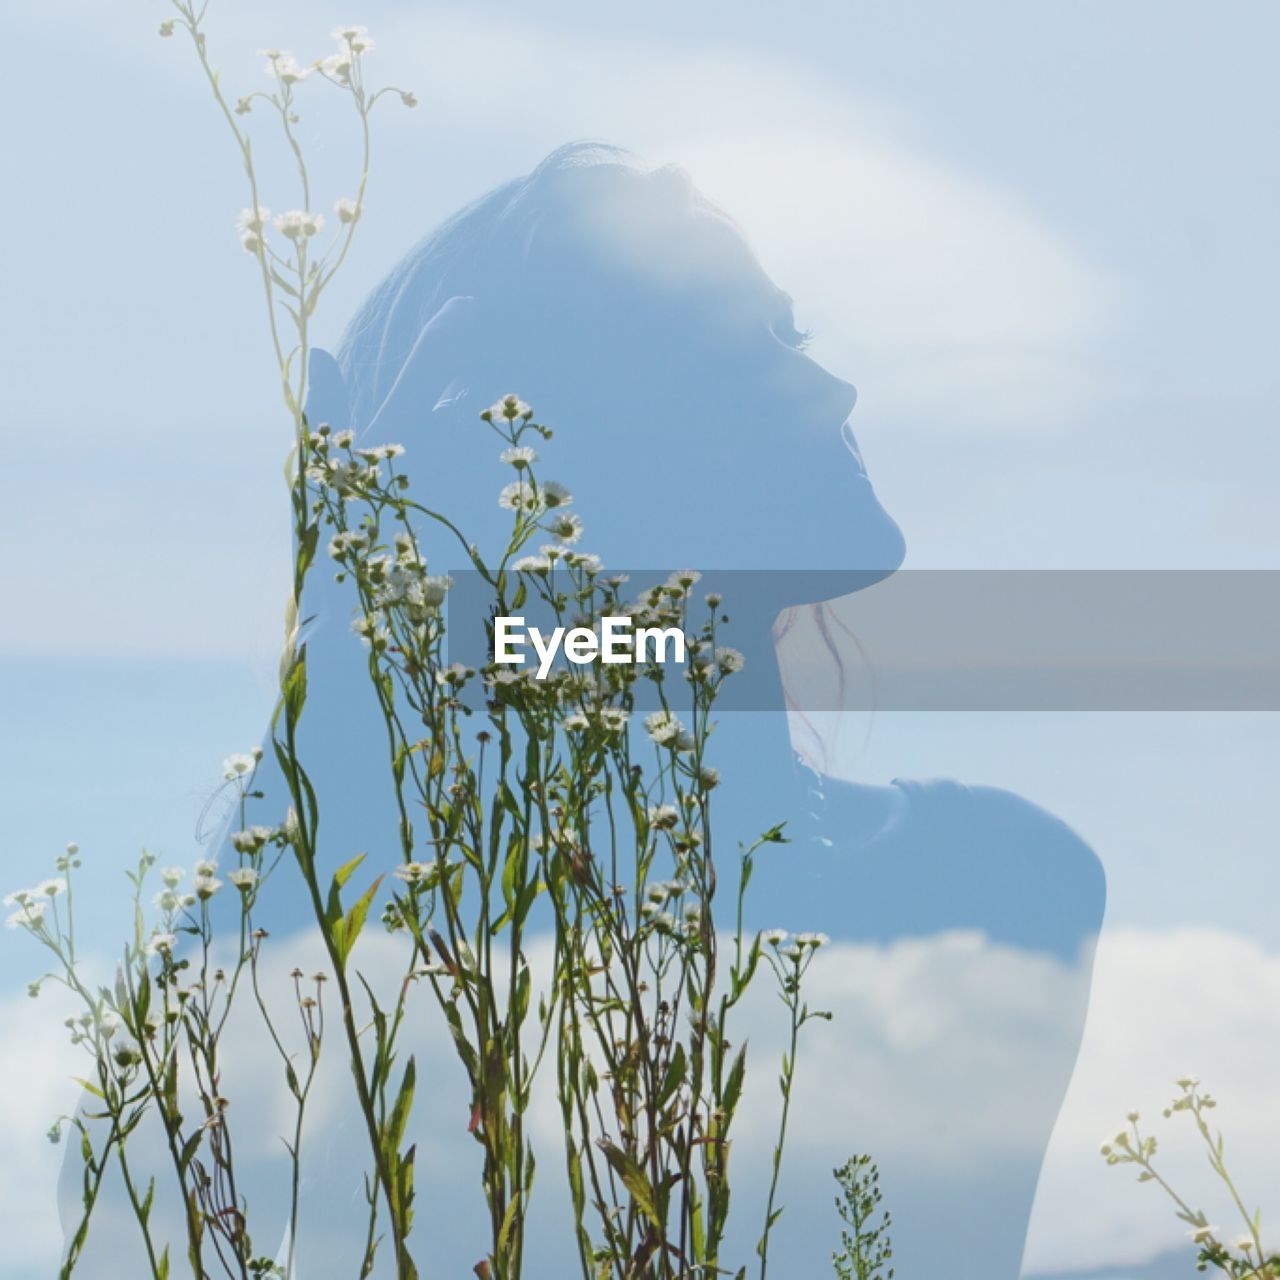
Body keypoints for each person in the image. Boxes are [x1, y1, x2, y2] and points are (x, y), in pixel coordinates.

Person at [65, 142, 1105, 1278]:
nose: (830, 385)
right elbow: (145, 1199)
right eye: (738, 354)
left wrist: (371, 621)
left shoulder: (1006, 873)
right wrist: (353, 639)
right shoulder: (475, 971)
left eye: (791, 334)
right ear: (561, 460)